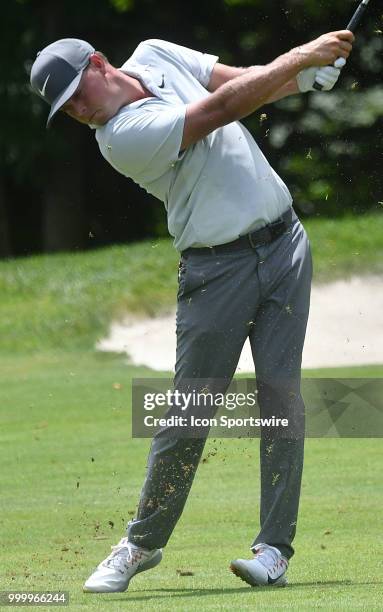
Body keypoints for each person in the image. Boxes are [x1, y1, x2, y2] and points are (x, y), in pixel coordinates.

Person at [30, 29, 354, 593]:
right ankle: (142, 543)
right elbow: (224, 107)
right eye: (67, 110)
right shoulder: (119, 138)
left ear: (100, 64)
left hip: (285, 245)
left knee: (281, 397)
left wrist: (300, 78)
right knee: (190, 410)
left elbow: (237, 81)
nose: (79, 112)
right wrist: (302, 58)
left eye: (78, 94)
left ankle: (274, 549)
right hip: (215, 268)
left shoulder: (156, 53)